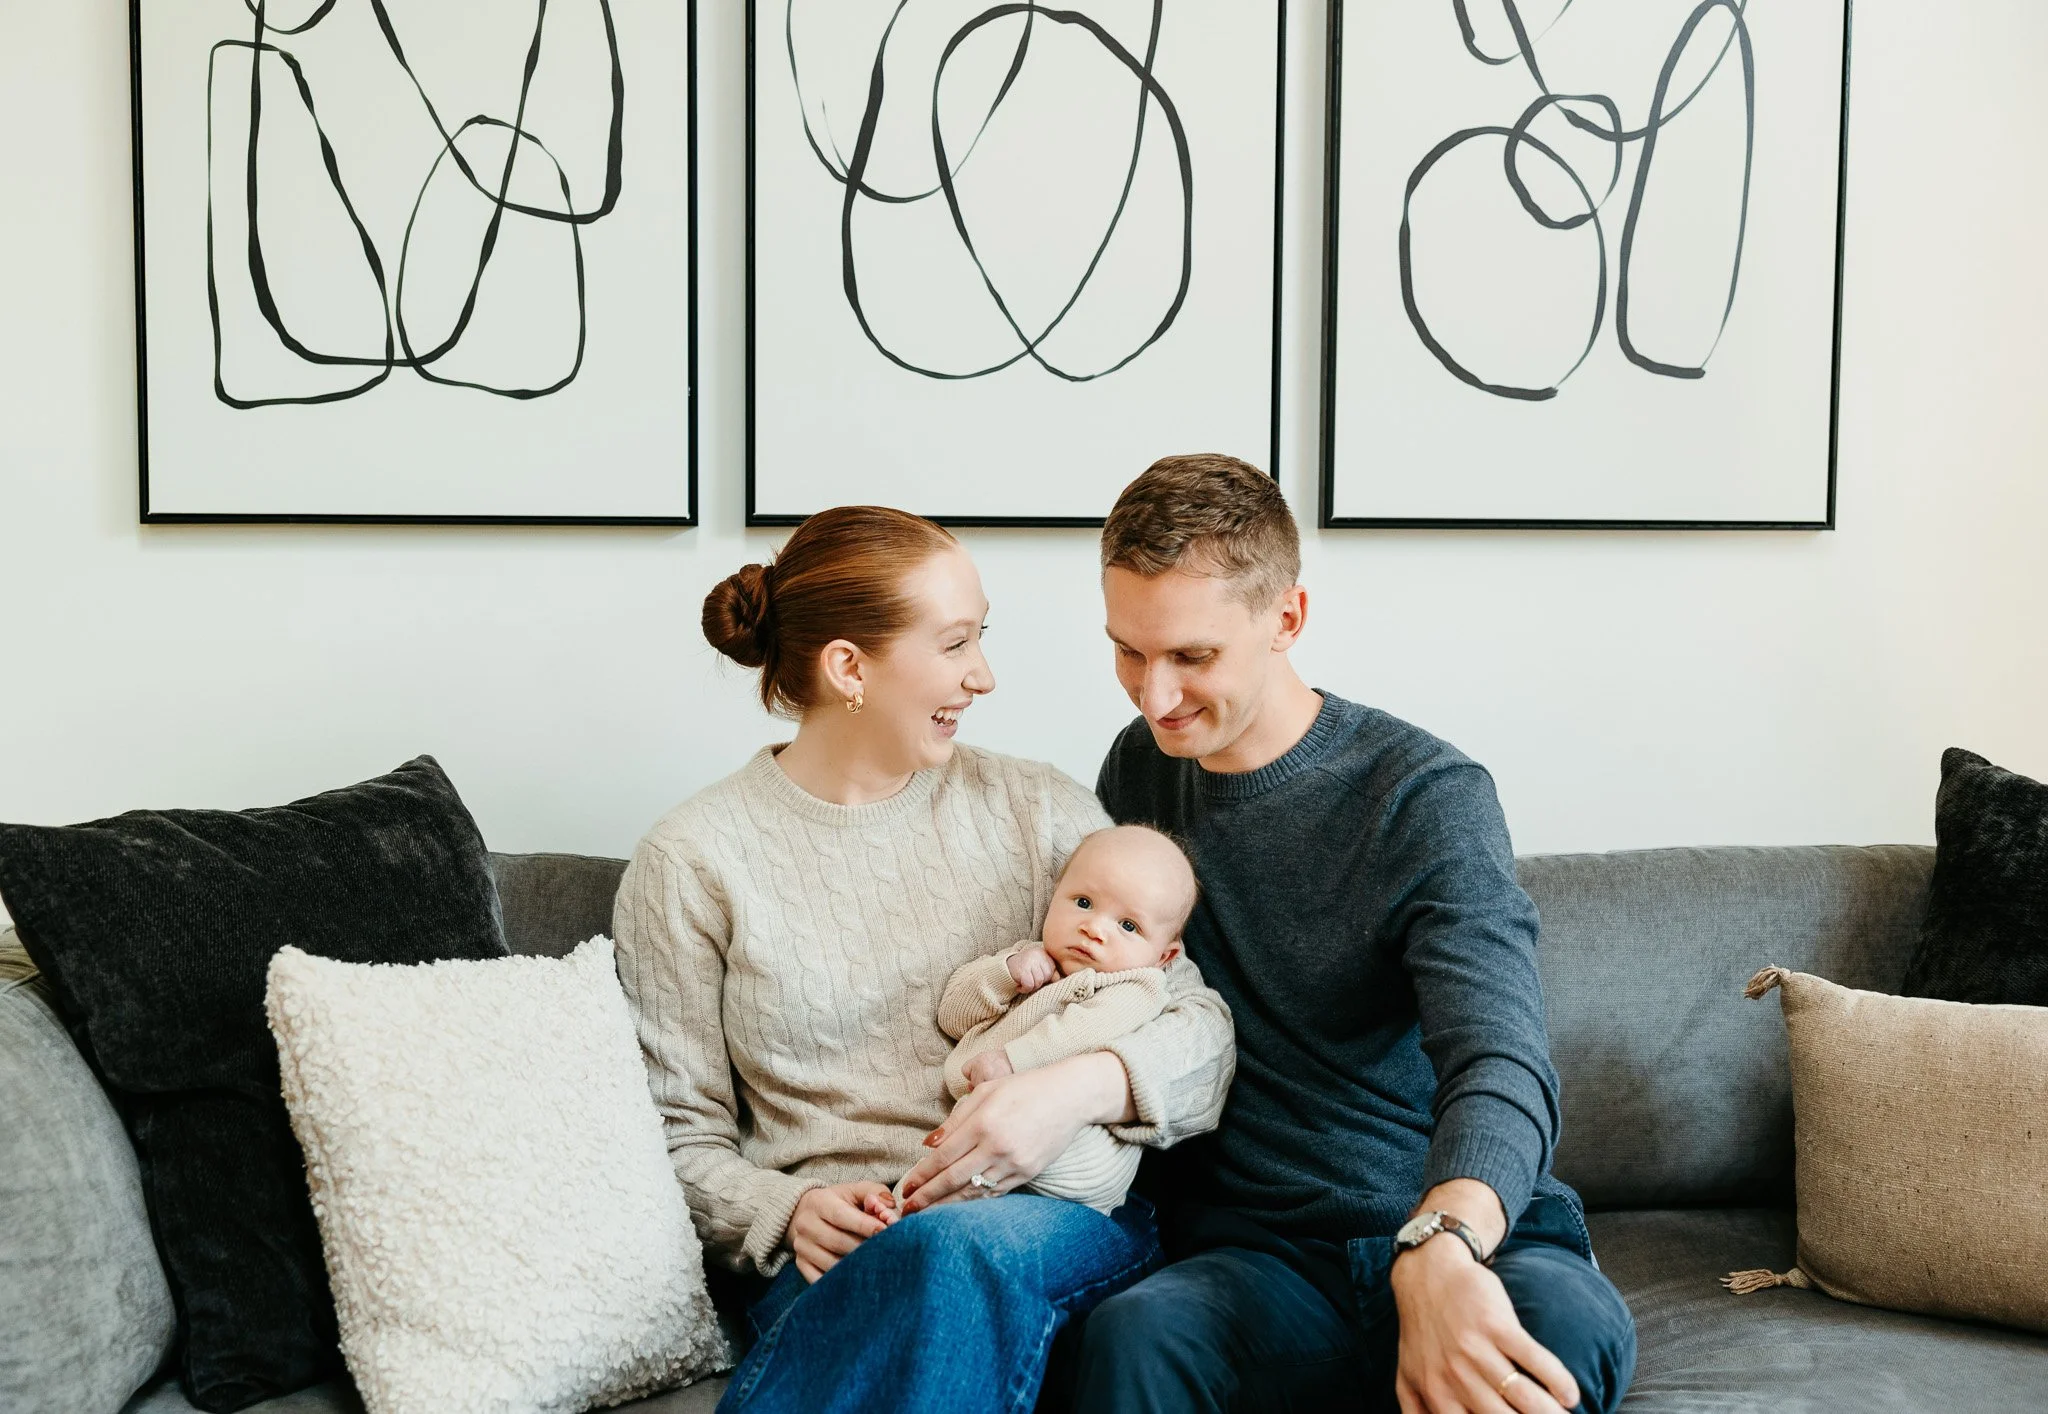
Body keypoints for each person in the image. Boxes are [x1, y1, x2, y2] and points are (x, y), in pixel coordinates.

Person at [609, 505, 1235, 1414]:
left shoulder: (1036, 813)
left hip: (1044, 1217)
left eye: (981, 640)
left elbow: (1201, 1028)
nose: (983, 675)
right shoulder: (693, 861)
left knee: (947, 1252)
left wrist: (1076, 1089)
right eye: (955, 644)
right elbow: (677, 1136)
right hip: (842, 1248)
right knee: (914, 1263)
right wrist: (781, 1213)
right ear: (849, 668)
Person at [1061, 456, 1637, 1414]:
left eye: (1191, 657)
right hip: (1258, 1257)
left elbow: (1501, 1060)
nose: (1153, 697)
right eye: (1128, 651)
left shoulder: (1423, 797)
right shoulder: (1141, 773)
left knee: (1557, 1346)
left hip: (1458, 1229)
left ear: (1286, 619)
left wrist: (1442, 1240)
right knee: (1135, 1338)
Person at [904, 824, 1202, 1216]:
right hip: (990, 1132)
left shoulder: (1138, 987)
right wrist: (1007, 973)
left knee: (963, 1159)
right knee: (947, 1164)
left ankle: (909, 1206)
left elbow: (1081, 1034)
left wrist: (1014, 1061)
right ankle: (901, 1207)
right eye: (1082, 902)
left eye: (1128, 926)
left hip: (1075, 1163)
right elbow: (953, 1015)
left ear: (1164, 956)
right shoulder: (1031, 956)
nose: (1094, 928)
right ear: (1054, 896)